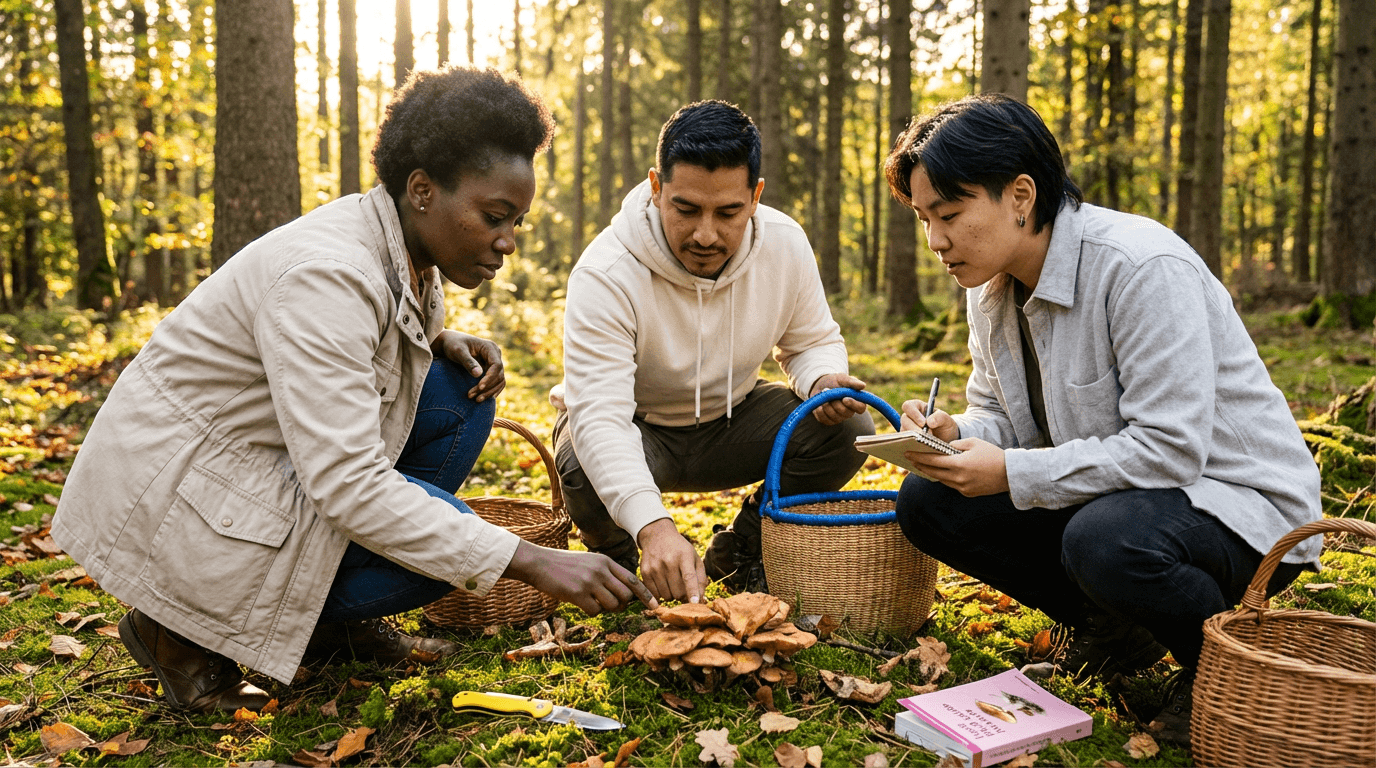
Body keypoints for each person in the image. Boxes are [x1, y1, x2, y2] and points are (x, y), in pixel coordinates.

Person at [50, 66, 654, 714]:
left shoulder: (397, 245)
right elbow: (349, 483)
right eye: (494, 216)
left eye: (518, 222)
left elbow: (365, 343)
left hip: (250, 467)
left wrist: (437, 338)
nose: (507, 242)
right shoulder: (326, 276)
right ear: (422, 190)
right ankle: (175, 630)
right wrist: (529, 561)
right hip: (174, 504)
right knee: (442, 549)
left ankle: (330, 630)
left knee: (457, 393)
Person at [882, 94, 1321, 745]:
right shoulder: (988, 288)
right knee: (927, 501)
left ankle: (1222, 674)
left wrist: (1009, 469)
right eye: (923, 218)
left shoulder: (1141, 266)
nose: (935, 240)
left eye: (949, 214)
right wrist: (959, 436)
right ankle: (1115, 630)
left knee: (1104, 541)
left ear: (1021, 196)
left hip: (1237, 507)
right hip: (1119, 499)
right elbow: (1004, 418)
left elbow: (1171, 451)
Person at [551, 100, 875, 604]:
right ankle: (619, 561)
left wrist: (821, 379)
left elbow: (810, 342)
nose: (706, 234)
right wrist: (655, 528)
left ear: (755, 195)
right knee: (580, 457)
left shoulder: (786, 245)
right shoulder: (605, 273)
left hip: (733, 424)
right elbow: (601, 418)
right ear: (657, 188)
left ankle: (742, 547)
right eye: (686, 209)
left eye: (728, 212)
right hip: (639, 430)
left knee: (848, 429)